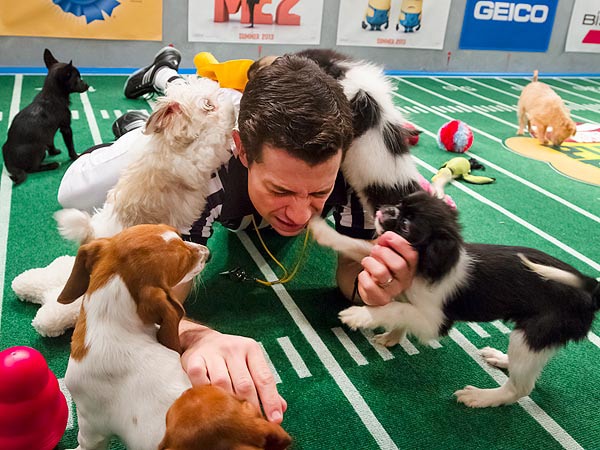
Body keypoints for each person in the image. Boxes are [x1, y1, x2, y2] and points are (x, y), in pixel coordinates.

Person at [58, 46, 420, 424]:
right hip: (202, 128)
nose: (300, 215)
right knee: (77, 193)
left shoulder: (356, 171)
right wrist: (197, 337)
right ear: (242, 151)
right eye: (280, 190)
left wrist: (373, 286)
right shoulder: (204, 170)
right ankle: (138, 124)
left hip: (248, 131)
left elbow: (353, 269)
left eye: (318, 192)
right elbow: (165, 296)